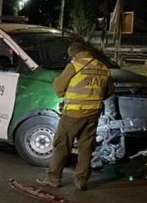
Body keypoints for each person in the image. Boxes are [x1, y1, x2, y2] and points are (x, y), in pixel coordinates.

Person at [37, 42, 113, 191]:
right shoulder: (103, 68)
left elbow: (59, 89)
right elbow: (109, 92)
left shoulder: (75, 66)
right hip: (93, 113)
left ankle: (53, 179)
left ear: (73, 55)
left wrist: (55, 81)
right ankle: (81, 181)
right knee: (86, 148)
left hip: (73, 113)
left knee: (62, 145)